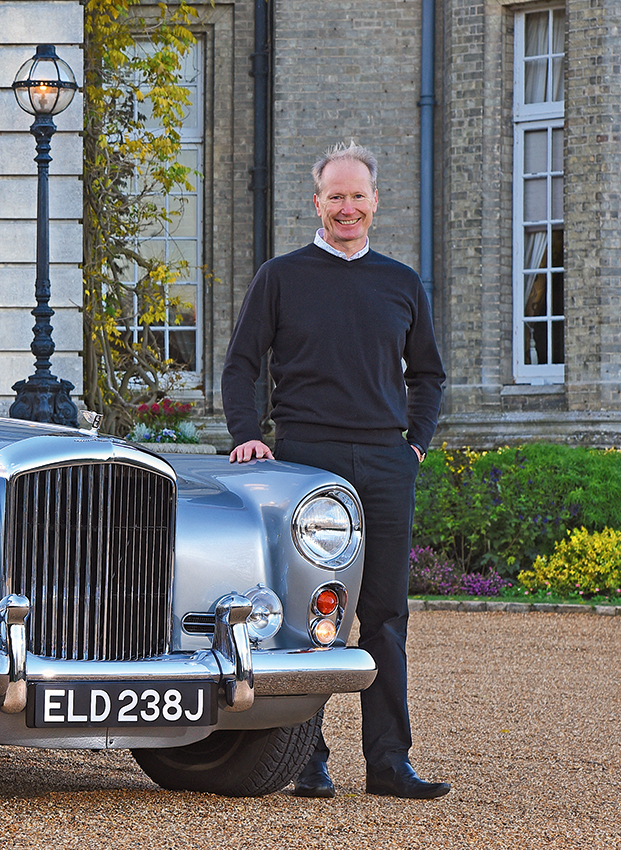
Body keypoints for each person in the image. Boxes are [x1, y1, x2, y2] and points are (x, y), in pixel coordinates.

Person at [221, 142, 449, 800]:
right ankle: (307, 758)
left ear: (376, 201)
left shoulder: (401, 283)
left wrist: (414, 446)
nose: (347, 207)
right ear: (317, 202)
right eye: (336, 196)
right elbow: (241, 365)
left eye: (358, 196)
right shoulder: (281, 277)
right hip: (306, 458)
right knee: (307, 614)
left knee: (385, 615)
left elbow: (428, 374)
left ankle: (389, 763)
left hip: (385, 460)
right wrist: (248, 436)